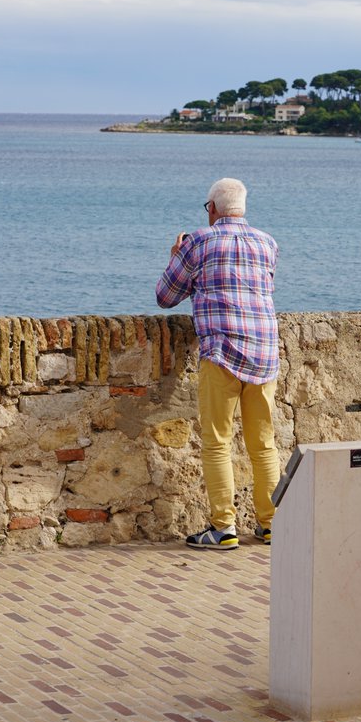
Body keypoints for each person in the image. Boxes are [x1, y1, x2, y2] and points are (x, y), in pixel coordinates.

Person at [155, 178, 280, 550]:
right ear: (243, 207)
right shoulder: (268, 243)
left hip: (222, 351)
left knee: (217, 443)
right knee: (264, 444)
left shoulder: (198, 241)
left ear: (212, 208)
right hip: (265, 352)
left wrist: (176, 256)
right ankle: (273, 524)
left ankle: (223, 528)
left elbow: (165, 296)